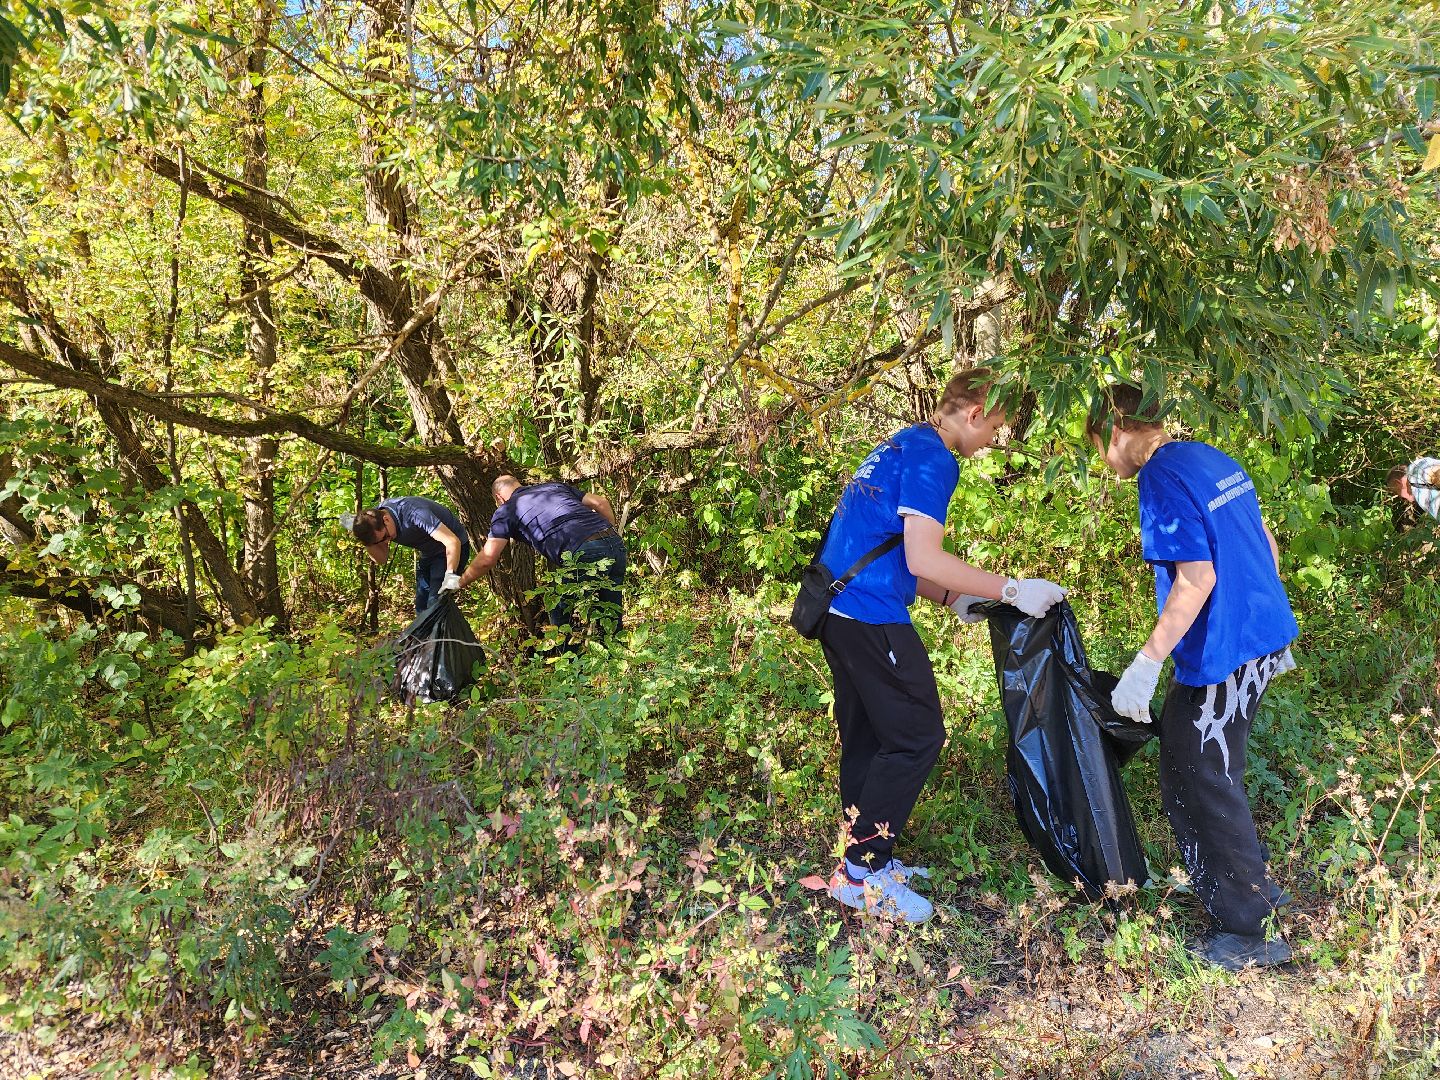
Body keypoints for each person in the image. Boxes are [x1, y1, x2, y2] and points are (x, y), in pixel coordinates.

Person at [819, 368, 1067, 924]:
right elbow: (922, 558)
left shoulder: (903, 443)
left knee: (870, 733)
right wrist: (1010, 589)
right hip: (868, 613)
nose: (993, 442)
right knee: (917, 734)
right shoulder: (935, 458)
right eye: (996, 429)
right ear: (976, 414)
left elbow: (893, 549)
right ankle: (864, 874)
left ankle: (858, 855)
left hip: (837, 608)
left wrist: (952, 599)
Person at [1089, 383, 1298, 971]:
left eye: (1099, 448)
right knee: (1191, 756)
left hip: (1225, 653)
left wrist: (1146, 662)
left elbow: (1196, 578)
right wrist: (1262, 618)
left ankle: (1249, 929)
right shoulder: (1209, 457)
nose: (1106, 464)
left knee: (1205, 771)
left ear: (1116, 431)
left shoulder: (1159, 477)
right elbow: (1265, 543)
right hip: (1257, 638)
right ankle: (1236, 886)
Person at [457, 475, 626, 637]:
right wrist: (608, 534)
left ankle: (571, 666)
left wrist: (459, 583)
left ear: (499, 497)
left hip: (584, 550)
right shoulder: (554, 486)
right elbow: (600, 502)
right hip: (614, 543)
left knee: (560, 611)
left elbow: (487, 558)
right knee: (610, 610)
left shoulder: (507, 510)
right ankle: (617, 660)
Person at [349, 497, 470, 614]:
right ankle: (425, 634)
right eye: (379, 542)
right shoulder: (374, 523)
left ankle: (443, 634)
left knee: (435, 603)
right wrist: (368, 543)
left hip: (452, 549)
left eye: (385, 538)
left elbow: (452, 541)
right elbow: (381, 559)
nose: (386, 543)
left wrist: (450, 576)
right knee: (421, 607)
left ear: (386, 519)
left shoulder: (415, 513)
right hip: (429, 553)